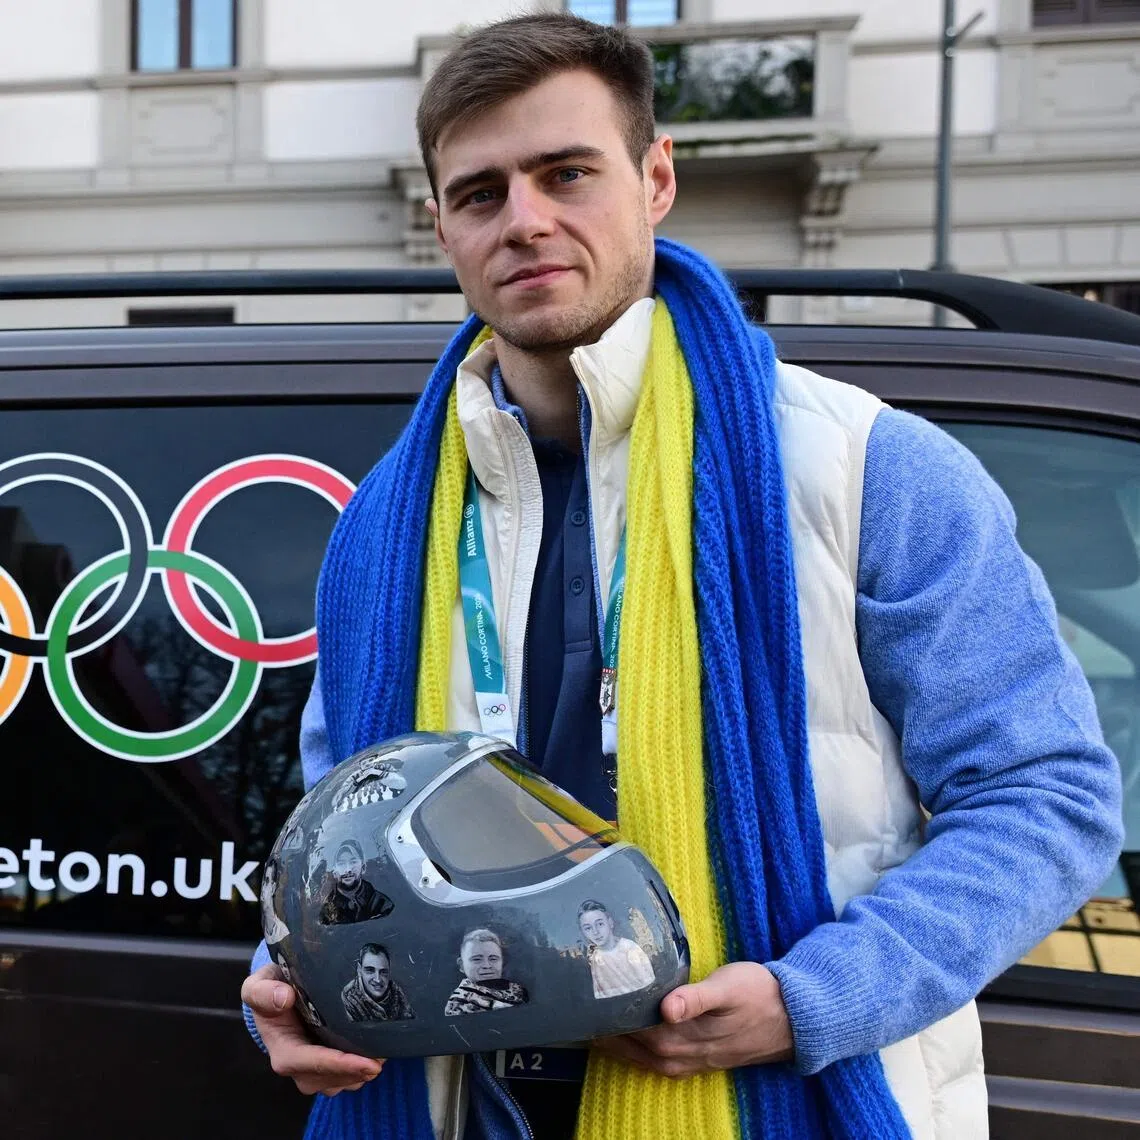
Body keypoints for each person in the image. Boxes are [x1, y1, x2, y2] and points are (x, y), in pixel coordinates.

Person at [241, 13, 1124, 1140]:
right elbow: (339, 833)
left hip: (772, 1101)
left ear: (656, 178)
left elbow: (1047, 794)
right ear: (442, 227)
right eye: (481, 194)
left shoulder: (863, 468)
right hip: (466, 1107)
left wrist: (811, 1001)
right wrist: (285, 973)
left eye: (568, 173)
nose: (526, 221)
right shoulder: (382, 525)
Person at [577, 900, 654, 999]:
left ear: (610, 923)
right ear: (583, 932)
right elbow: (602, 994)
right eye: (588, 928)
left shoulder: (629, 948)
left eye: (600, 924)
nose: (595, 932)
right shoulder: (596, 958)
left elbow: (648, 985)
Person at [444, 928, 529, 1016]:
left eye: (493, 959)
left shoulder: (518, 990)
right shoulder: (459, 1003)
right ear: (461, 965)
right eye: (477, 959)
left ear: (502, 962)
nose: (487, 965)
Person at [318, 839, 394, 925]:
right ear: (334, 872)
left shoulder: (382, 904)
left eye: (353, 862)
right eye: (341, 863)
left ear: (363, 867)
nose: (348, 870)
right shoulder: (326, 911)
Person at [341, 943, 415, 1023]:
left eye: (383, 972)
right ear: (359, 970)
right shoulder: (348, 997)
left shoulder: (396, 992)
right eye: (370, 970)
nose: (378, 980)